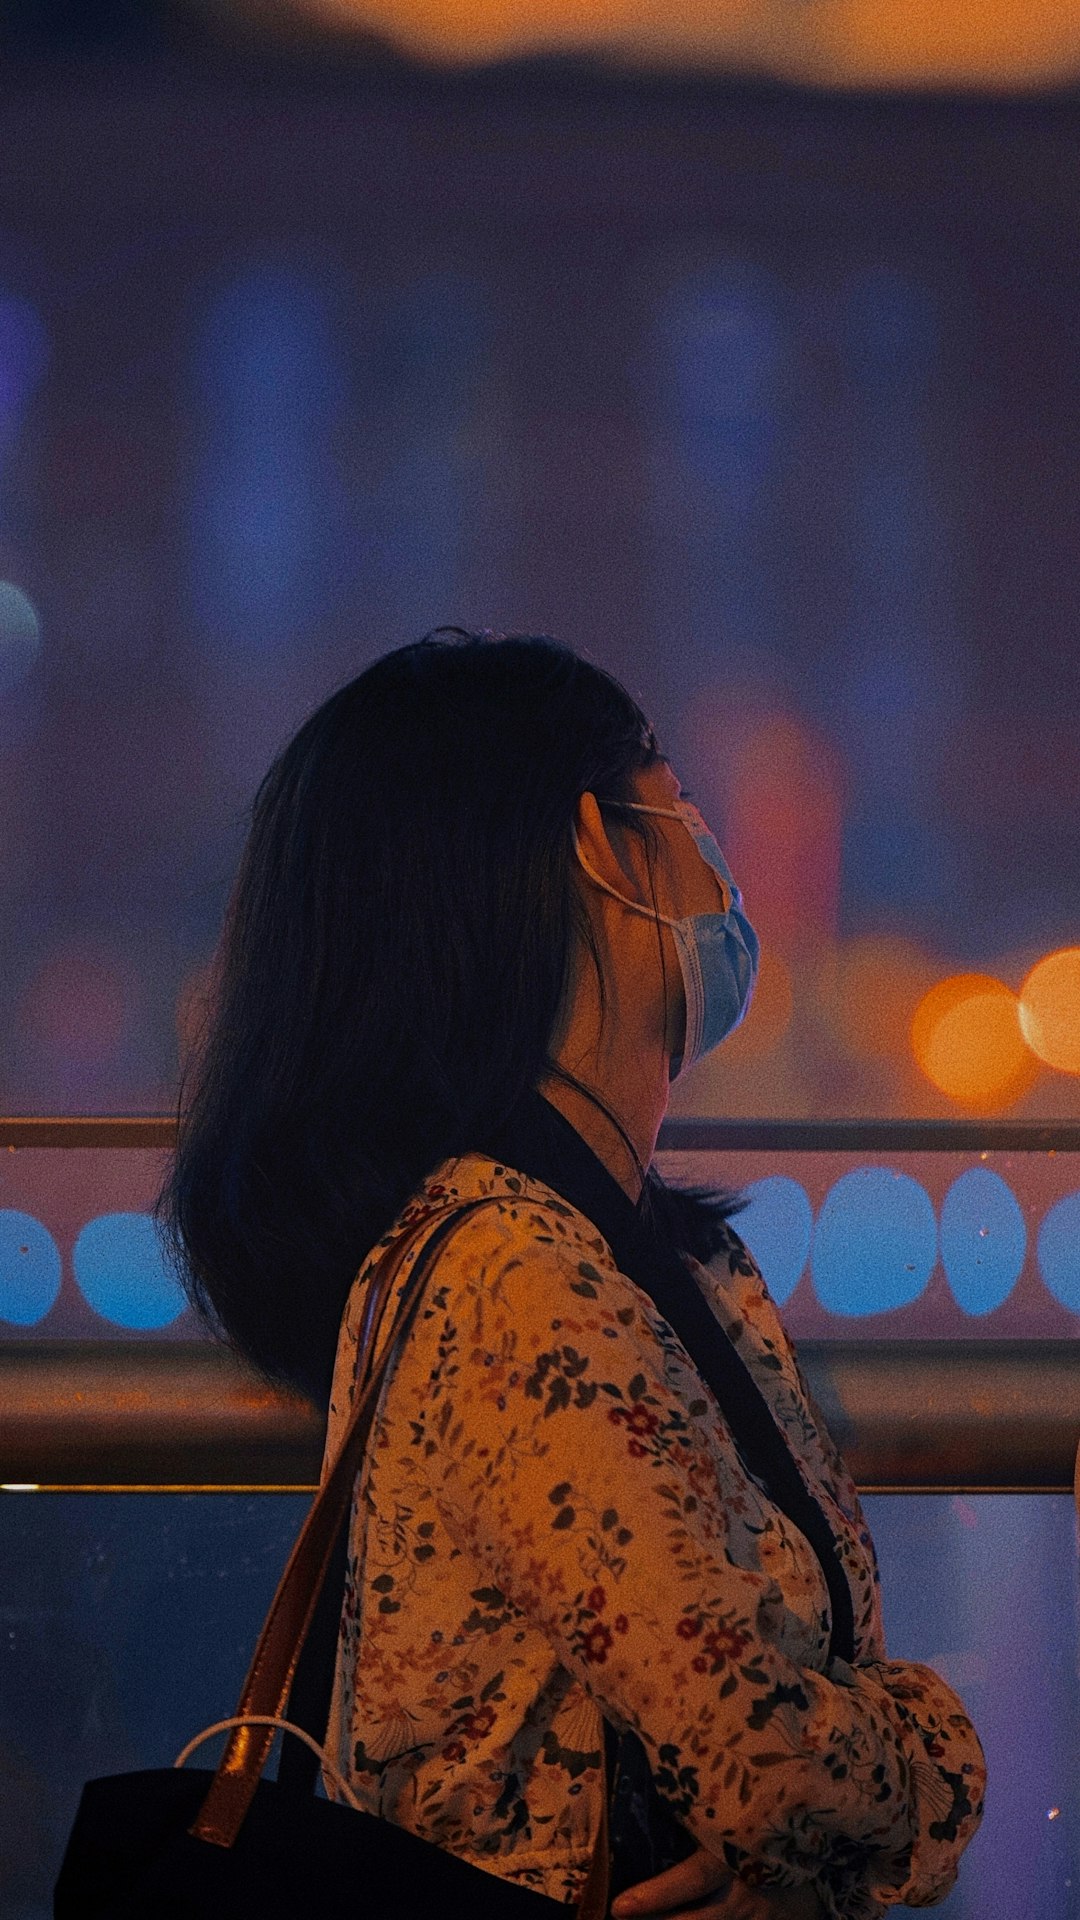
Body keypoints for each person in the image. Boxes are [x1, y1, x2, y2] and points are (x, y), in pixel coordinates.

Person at [160, 629, 985, 1920]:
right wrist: (940, 1742)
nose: (718, 861)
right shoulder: (512, 1277)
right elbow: (768, 1770)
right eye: (686, 806)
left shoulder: (639, 1255)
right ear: (601, 849)